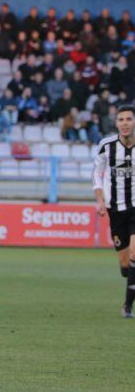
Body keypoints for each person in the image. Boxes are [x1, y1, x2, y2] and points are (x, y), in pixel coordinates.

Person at [92, 104, 135, 318]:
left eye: (129, 119)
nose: (125, 123)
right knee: (125, 264)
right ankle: (129, 277)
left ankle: (127, 306)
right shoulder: (106, 145)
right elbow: (97, 175)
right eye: (121, 120)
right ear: (116, 123)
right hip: (115, 209)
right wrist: (100, 201)